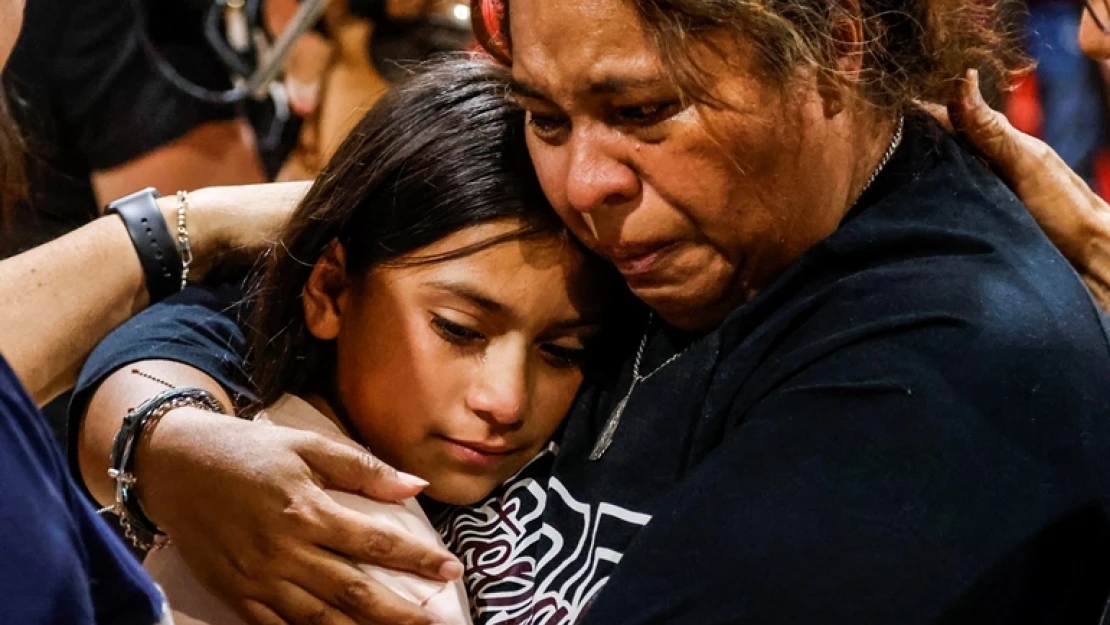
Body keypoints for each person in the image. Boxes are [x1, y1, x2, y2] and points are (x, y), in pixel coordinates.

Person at [70, 3, 1110, 625]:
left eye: (644, 110)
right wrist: (165, 439)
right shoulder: (679, 209)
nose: (582, 182)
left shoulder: (946, 360)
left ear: (834, 45)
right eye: (542, 115)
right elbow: (247, 309)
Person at [142, 57, 611, 625]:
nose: (506, 401)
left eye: (563, 352)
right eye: (458, 330)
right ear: (331, 290)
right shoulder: (391, 586)